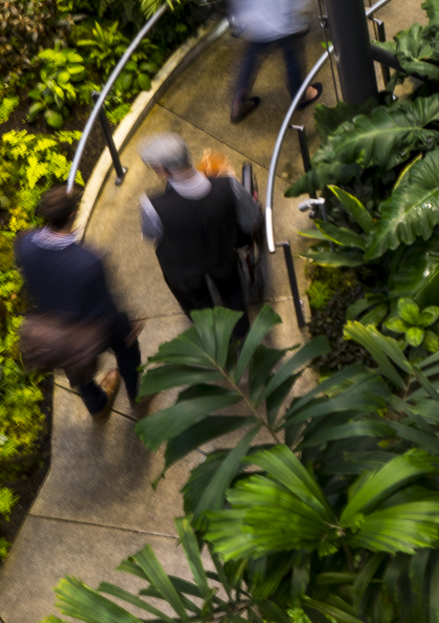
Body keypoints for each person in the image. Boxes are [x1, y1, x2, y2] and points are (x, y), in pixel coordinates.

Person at [14, 185, 143, 421]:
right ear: (73, 215)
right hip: (90, 327)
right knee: (127, 346)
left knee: (76, 366)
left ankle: (97, 407)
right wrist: (126, 330)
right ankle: (136, 394)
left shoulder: (24, 243)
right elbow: (104, 309)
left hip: (55, 329)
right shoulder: (87, 262)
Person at [138, 133, 259, 323]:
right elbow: (251, 219)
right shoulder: (229, 185)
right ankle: (241, 331)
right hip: (223, 258)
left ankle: (212, 341)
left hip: (184, 271)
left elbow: (150, 235)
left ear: (162, 170)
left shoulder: (151, 206)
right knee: (233, 297)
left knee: (199, 311)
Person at [219, 0, 321, 124]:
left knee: (249, 59)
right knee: (292, 56)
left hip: (254, 27)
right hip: (282, 26)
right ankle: (301, 95)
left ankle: (238, 102)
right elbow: (302, 3)